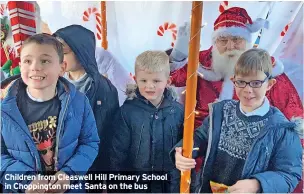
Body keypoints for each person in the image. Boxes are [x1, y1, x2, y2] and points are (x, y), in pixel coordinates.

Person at [168, 7, 304, 175]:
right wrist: (178, 54)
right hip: (204, 143)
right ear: (215, 41)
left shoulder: (264, 67)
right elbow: (168, 78)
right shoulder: (202, 61)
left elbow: (292, 112)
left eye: (236, 39)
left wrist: (297, 150)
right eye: (223, 40)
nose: (230, 46)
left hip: (250, 151)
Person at [172, 48, 303, 193]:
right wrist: (182, 152)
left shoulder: (282, 129)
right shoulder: (220, 112)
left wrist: (258, 184)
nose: (247, 90)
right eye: (241, 82)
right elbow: (200, 138)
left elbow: (289, 175)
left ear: (270, 84)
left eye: (256, 83)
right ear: (234, 81)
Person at [0, 34, 100, 193]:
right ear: (20, 64)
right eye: (27, 61)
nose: (35, 67)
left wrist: (69, 174)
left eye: (44, 61)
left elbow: (90, 143)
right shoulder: (4, 109)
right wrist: (24, 181)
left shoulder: (79, 102)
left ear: (62, 67)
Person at [109, 51, 184, 193]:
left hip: (170, 186)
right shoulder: (127, 112)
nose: (149, 86)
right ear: (136, 79)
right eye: (144, 81)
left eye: (156, 81)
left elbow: (183, 150)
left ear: (167, 81)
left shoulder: (178, 112)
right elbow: (117, 154)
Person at [53, 25, 119, 170]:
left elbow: (107, 136)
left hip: (89, 166)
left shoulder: (103, 89)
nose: (58, 58)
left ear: (80, 51)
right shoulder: (53, 83)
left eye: (63, 52)